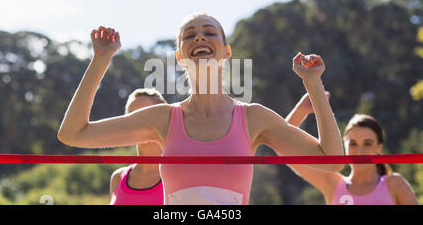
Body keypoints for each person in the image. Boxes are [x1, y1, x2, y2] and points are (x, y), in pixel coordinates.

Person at [57, 12, 344, 205]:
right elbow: (73, 133)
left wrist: (313, 83)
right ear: (180, 55)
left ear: (227, 51)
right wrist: (101, 59)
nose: (199, 37)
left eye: (210, 32)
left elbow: (332, 160)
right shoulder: (164, 118)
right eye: (189, 35)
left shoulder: (254, 117)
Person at [284, 93, 418, 205]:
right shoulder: (333, 184)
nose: (359, 152)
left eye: (367, 144)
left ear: (379, 147)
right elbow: (283, 146)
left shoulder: (394, 184)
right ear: (344, 146)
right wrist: (301, 110)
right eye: (353, 144)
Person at [109, 88, 166, 205]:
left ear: (163, 121)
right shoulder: (117, 178)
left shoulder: (178, 176)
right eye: (132, 117)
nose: (138, 125)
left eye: (146, 116)